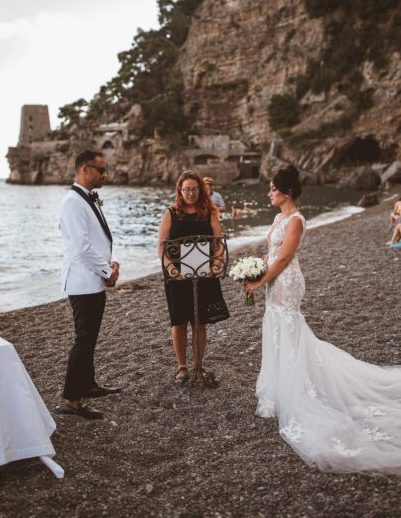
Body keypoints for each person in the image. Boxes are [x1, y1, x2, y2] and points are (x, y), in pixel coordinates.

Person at [243, 165, 401, 474]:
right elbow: (272, 253)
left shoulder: (296, 221)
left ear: (287, 192)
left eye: (273, 189)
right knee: (275, 328)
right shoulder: (277, 218)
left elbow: (286, 257)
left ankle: (298, 389)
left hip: (287, 284)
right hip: (273, 279)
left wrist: (261, 281)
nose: (269, 192)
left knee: (288, 329)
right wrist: (256, 269)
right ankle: (278, 388)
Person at [57, 149, 120, 420]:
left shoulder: (87, 199)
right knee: (83, 340)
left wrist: (110, 265)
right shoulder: (72, 202)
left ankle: (89, 385)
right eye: (101, 170)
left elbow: (95, 240)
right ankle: (71, 400)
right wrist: (108, 270)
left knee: (90, 337)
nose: (105, 174)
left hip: (93, 279)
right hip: (83, 281)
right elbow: (82, 247)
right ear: (85, 169)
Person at [158, 170, 229, 385]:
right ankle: (182, 367)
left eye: (194, 189)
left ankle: (199, 363)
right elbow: (161, 247)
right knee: (179, 321)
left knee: (200, 322)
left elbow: (218, 243)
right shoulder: (170, 212)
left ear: (201, 190)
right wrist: (171, 269)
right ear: (180, 190)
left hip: (205, 273)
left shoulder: (210, 211)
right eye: (186, 189)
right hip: (177, 275)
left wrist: (216, 264)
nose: (190, 193)